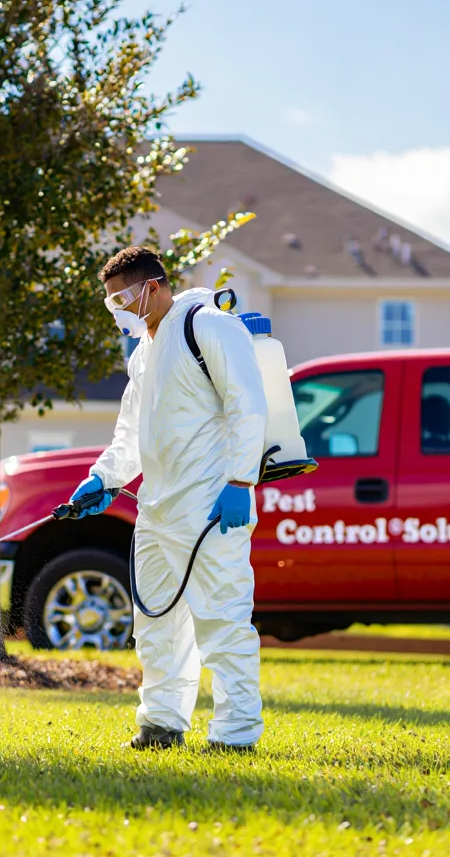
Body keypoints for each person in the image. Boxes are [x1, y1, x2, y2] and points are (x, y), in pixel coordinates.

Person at [74, 246, 268, 752]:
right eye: (110, 301)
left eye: (122, 298)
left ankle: (235, 734)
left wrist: (240, 483)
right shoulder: (143, 353)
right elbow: (131, 432)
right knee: (156, 624)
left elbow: (248, 408)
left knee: (222, 620)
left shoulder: (208, 327)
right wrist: (104, 478)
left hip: (210, 505)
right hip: (156, 510)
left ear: (153, 287)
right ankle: (161, 724)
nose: (116, 309)